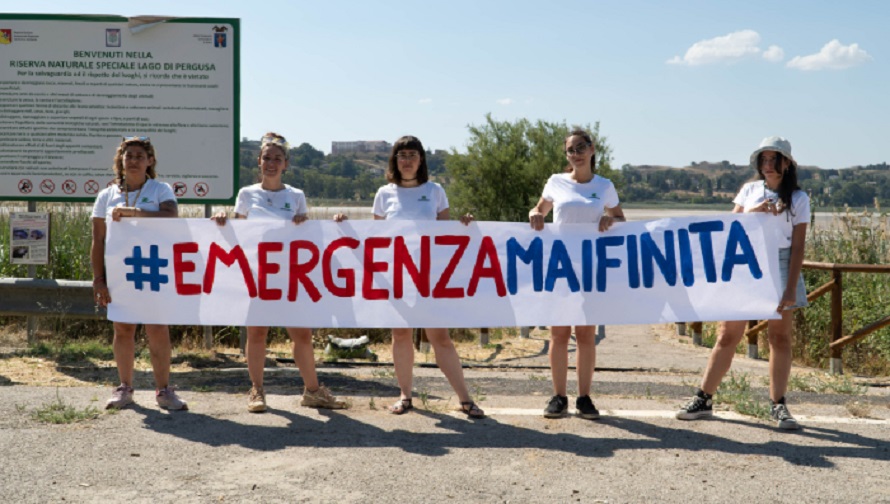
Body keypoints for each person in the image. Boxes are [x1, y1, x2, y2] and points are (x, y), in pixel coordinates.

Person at [676, 136, 809, 430]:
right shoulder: (749, 190)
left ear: (787, 163)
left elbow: (798, 246)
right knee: (727, 334)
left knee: (779, 337)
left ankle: (778, 405)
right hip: (747, 262)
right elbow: (727, 228)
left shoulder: (799, 199)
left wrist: (789, 287)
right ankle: (704, 398)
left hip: (782, 263)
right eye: (764, 159)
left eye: (776, 159)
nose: (769, 165)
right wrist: (751, 214)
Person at [211, 132, 346, 413]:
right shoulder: (246, 194)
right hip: (258, 274)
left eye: (277, 159)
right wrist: (223, 220)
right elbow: (240, 234)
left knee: (302, 336)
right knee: (257, 333)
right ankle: (257, 390)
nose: (271, 163)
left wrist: (303, 221)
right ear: (258, 161)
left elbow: (306, 237)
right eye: (266, 158)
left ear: (286, 164)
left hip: (290, 276)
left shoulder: (295, 195)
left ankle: (313, 391)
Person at [362, 135, 484, 418]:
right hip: (397, 274)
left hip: (430, 276)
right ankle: (405, 395)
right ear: (395, 160)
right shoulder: (384, 194)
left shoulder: (435, 191)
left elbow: (445, 235)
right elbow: (375, 238)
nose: (407, 160)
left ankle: (465, 398)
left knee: (440, 337)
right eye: (402, 155)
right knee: (400, 334)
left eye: (412, 155)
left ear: (421, 160)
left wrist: (462, 225)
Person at [528, 129, 625, 419]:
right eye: (571, 150)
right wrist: (535, 213)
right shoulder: (556, 182)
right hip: (560, 268)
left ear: (592, 149)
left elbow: (620, 217)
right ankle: (558, 396)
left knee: (586, 334)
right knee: (559, 334)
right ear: (566, 154)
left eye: (581, 147)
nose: (576, 153)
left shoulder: (605, 185)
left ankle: (584, 397)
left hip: (592, 268)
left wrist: (611, 219)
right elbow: (540, 209)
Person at [91, 136, 187, 410]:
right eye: (128, 155)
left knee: (157, 329)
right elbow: (98, 240)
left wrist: (135, 213)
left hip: (155, 268)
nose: (133, 161)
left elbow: (171, 216)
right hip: (121, 273)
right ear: (120, 161)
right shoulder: (106, 195)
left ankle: (164, 390)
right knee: (123, 328)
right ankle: (125, 387)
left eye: (139, 156)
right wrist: (99, 279)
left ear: (150, 161)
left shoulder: (160, 189)